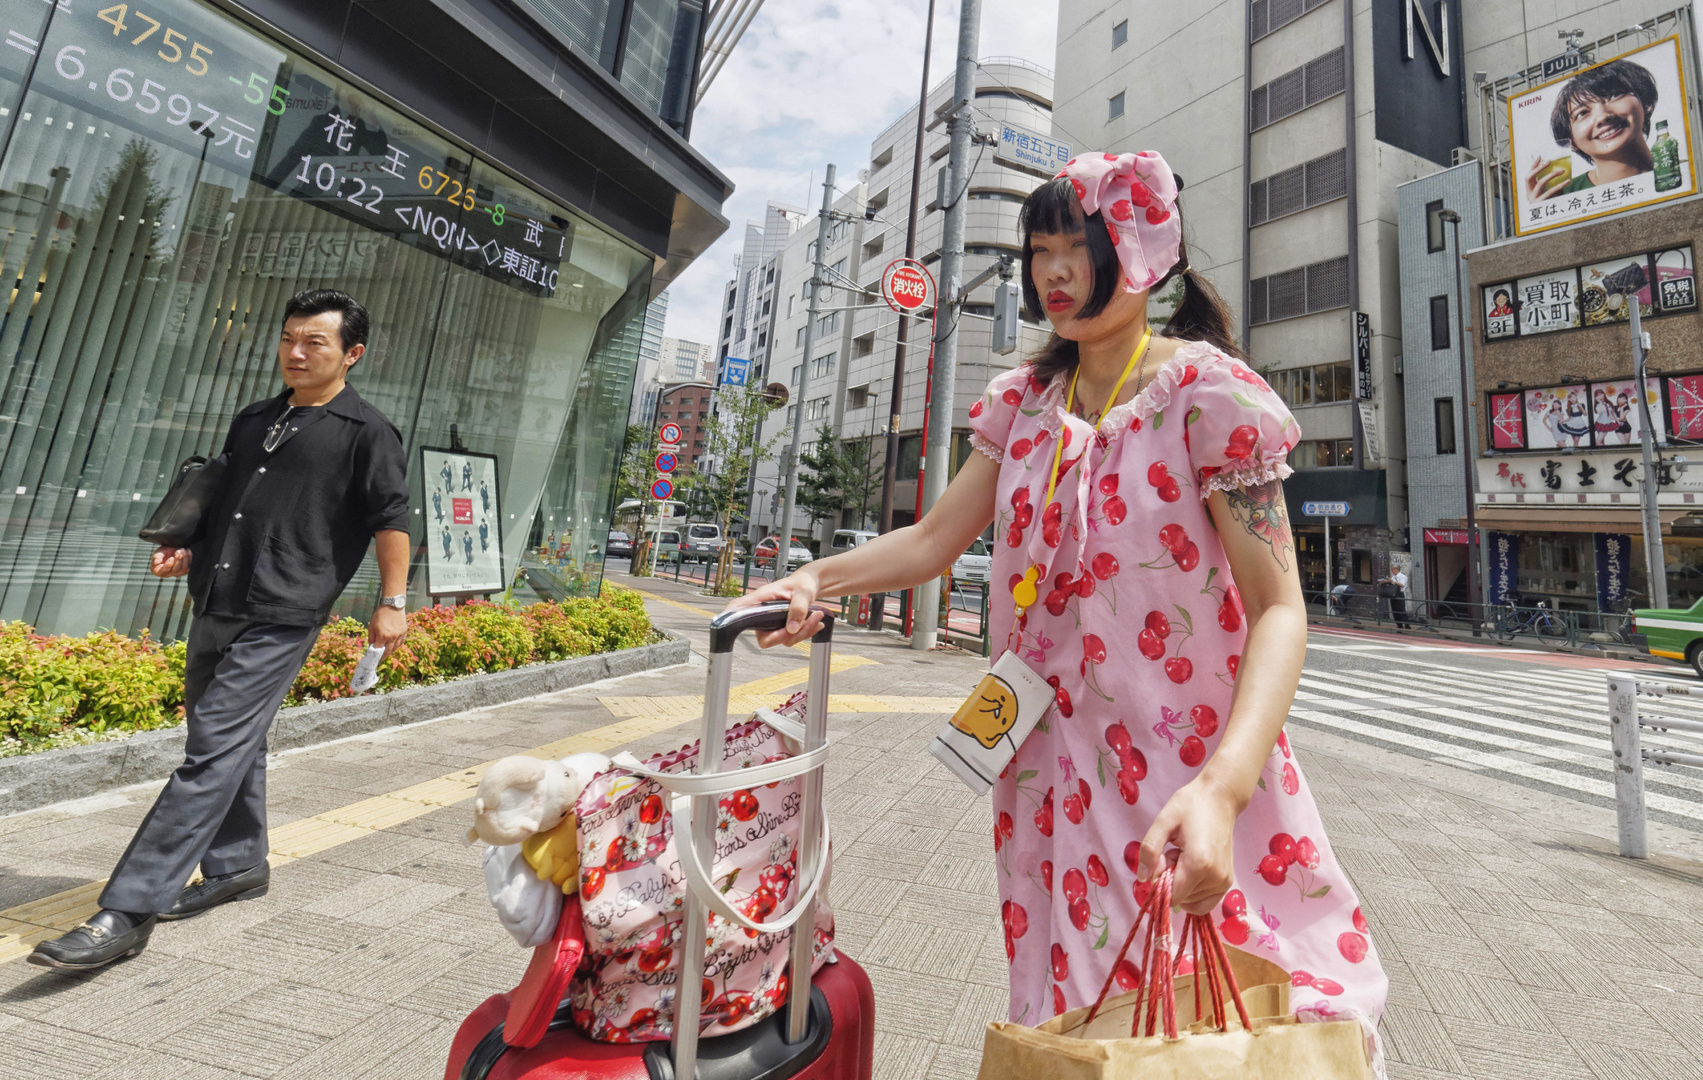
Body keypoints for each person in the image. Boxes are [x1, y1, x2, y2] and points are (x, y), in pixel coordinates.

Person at [730, 152, 1387, 1066]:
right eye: (1039, 251)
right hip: (1044, 775)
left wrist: (1224, 786)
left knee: (1219, 1010)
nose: (1054, 273)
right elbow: (932, 541)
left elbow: (1280, 607)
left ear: (1143, 249)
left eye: (1079, 247)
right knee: (1072, 1018)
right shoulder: (1022, 403)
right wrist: (816, 580)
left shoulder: (1209, 398)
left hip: (1186, 770)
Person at [29, 290, 411, 971]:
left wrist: (393, 601)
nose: (296, 351)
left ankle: (127, 909)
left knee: (209, 755)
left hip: (284, 610)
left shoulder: (366, 432)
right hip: (217, 595)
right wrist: (185, 544)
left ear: (352, 353)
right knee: (228, 744)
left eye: (314, 342)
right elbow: (228, 501)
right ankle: (238, 865)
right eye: (289, 337)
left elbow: (391, 520)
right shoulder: (256, 418)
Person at [1526, 58, 1660, 202]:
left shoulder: (1682, 173)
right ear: (1571, 142)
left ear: (1645, 102)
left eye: (1614, 95)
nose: (1602, 116)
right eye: (1582, 113)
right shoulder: (1563, 196)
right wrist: (1544, 218)